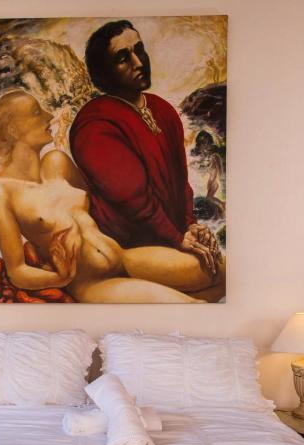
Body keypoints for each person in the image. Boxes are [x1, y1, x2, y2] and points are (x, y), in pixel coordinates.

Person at [0, 90, 224, 303]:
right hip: (93, 282)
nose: (50, 116)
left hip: (124, 257)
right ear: (13, 129)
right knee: (192, 309)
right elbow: (17, 271)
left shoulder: (57, 162)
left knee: (223, 271)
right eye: (37, 112)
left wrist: (184, 228)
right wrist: (59, 278)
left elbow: (103, 207)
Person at [69, 20, 220, 275]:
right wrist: (177, 237)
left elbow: (180, 182)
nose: (138, 62)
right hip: (123, 250)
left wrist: (190, 225)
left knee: (217, 272)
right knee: (217, 275)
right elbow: (134, 201)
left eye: (139, 50)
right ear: (104, 72)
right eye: (123, 58)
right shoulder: (95, 124)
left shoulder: (162, 109)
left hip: (172, 239)